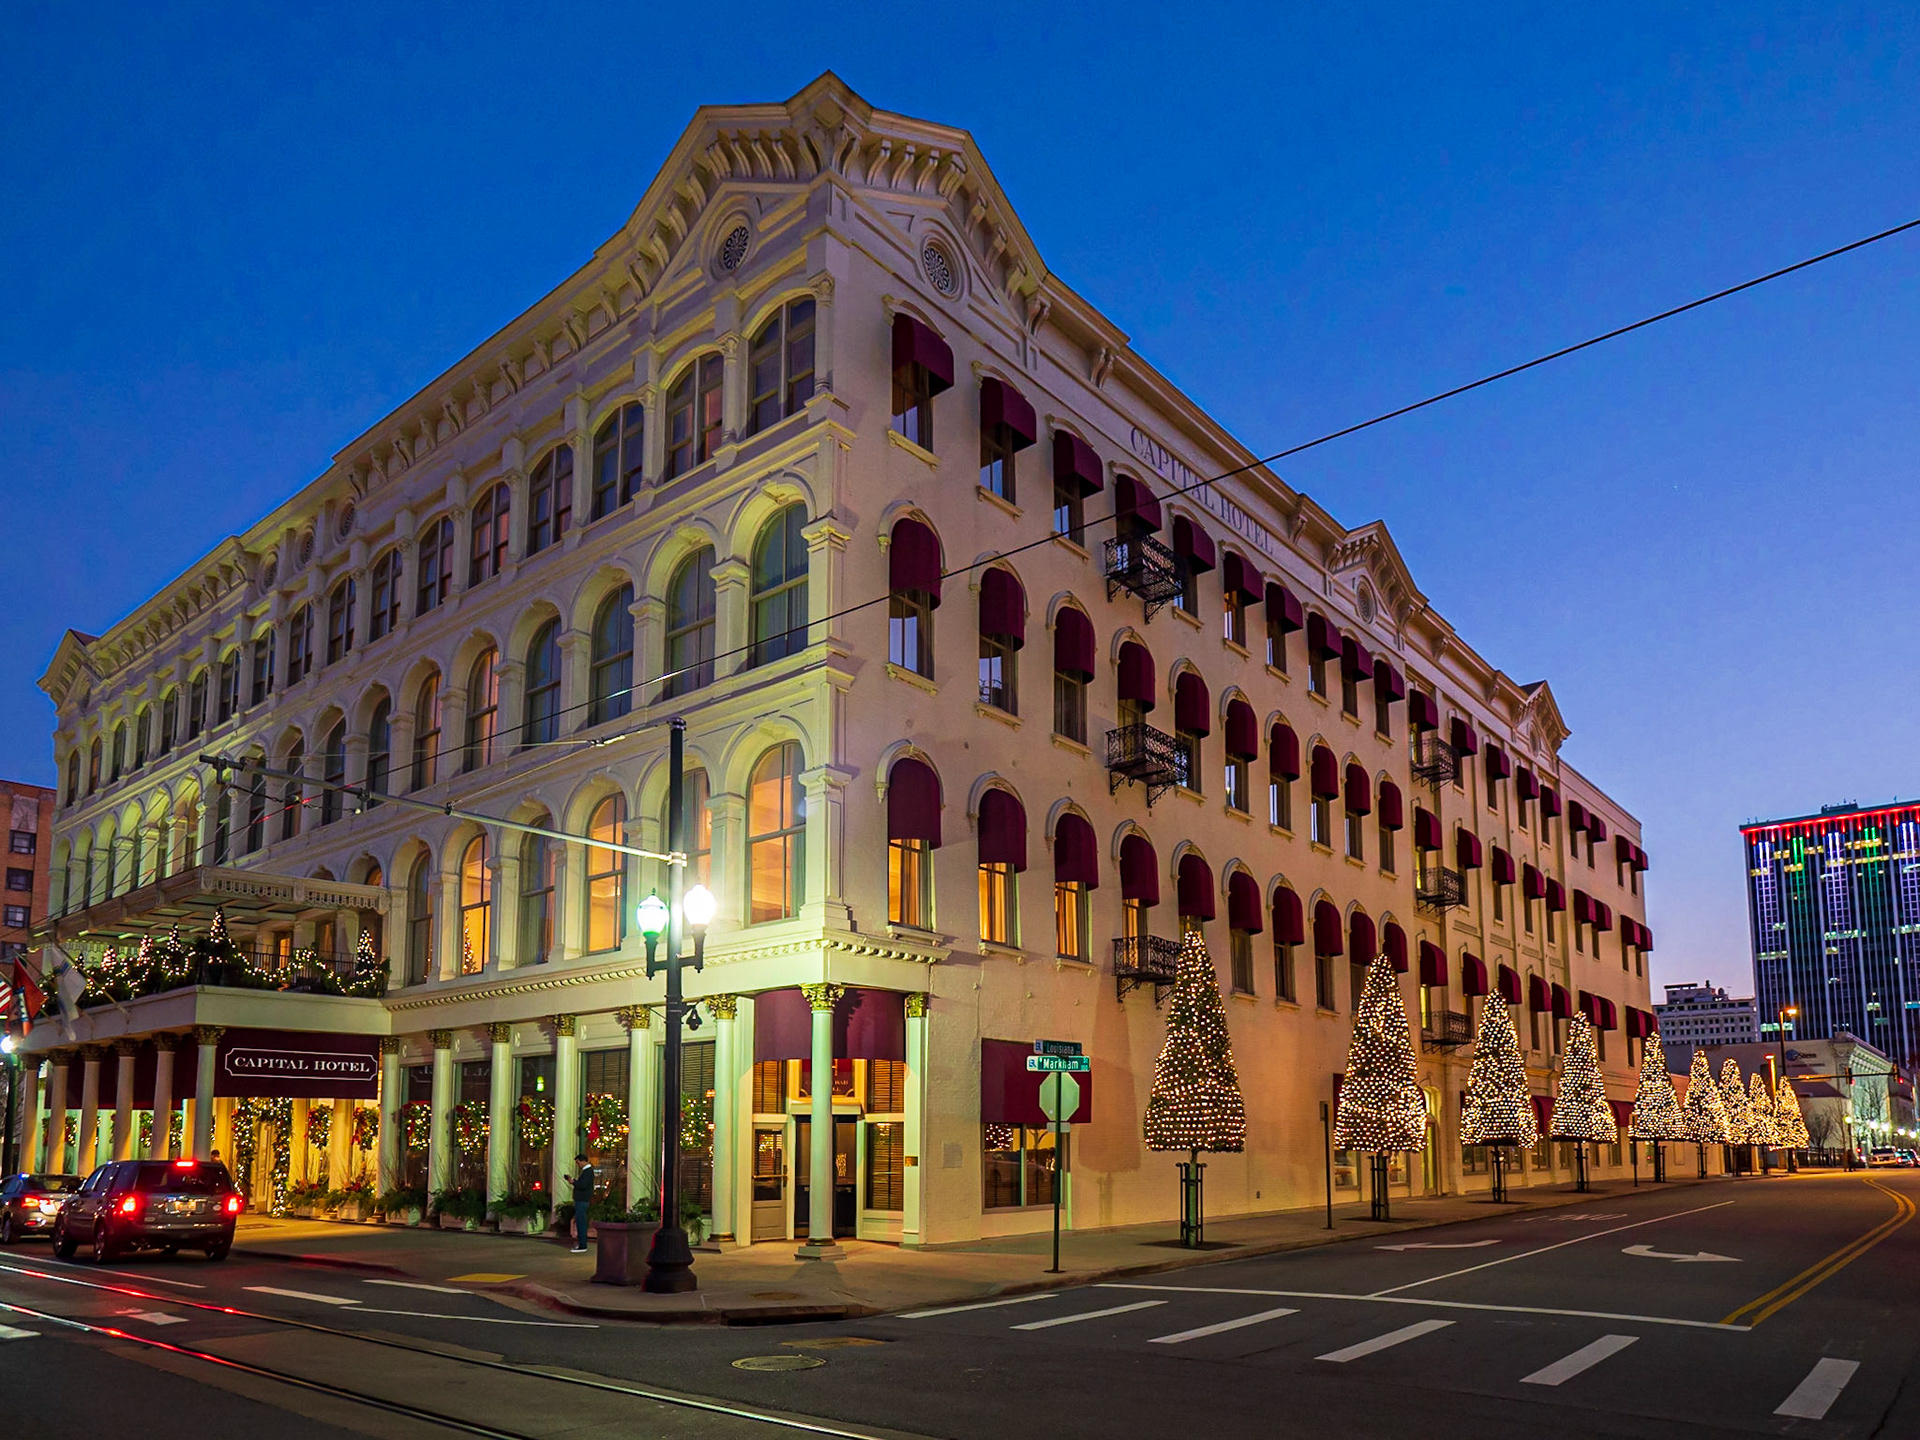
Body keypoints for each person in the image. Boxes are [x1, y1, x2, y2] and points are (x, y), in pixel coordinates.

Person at [570, 1154, 596, 1253]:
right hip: (582, 1200)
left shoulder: (587, 1172)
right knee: (580, 1222)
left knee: (581, 1222)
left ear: (583, 1161)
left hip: (582, 1200)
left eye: (578, 1162)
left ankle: (582, 1245)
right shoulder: (587, 1172)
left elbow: (583, 1185)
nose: (578, 1164)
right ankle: (582, 1244)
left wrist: (573, 1182)